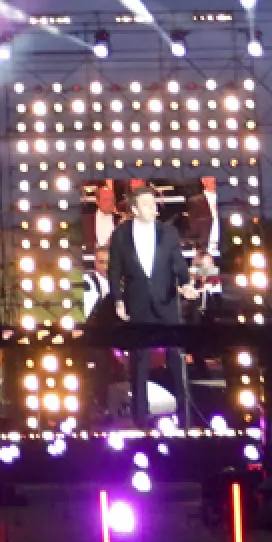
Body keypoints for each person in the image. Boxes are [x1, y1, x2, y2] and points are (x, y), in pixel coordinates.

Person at [101, 179, 190, 427]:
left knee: (175, 355)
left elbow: (178, 263)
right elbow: (114, 270)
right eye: (148, 204)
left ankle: (185, 415)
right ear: (135, 209)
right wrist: (118, 301)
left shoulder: (168, 232)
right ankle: (140, 418)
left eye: (154, 204)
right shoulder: (120, 235)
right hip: (137, 302)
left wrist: (185, 283)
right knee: (139, 360)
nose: (154, 209)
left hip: (166, 301)